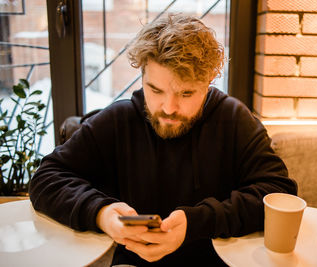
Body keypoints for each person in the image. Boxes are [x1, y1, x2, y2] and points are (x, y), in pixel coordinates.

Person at [29, 14, 297, 266]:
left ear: (208, 83)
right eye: (155, 90)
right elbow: (46, 178)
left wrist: (197, 222)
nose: (168, 108)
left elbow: (279, 192)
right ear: (142, 76)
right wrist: (102, 213)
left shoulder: (234, 119)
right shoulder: (119, 119)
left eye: (186, 93)